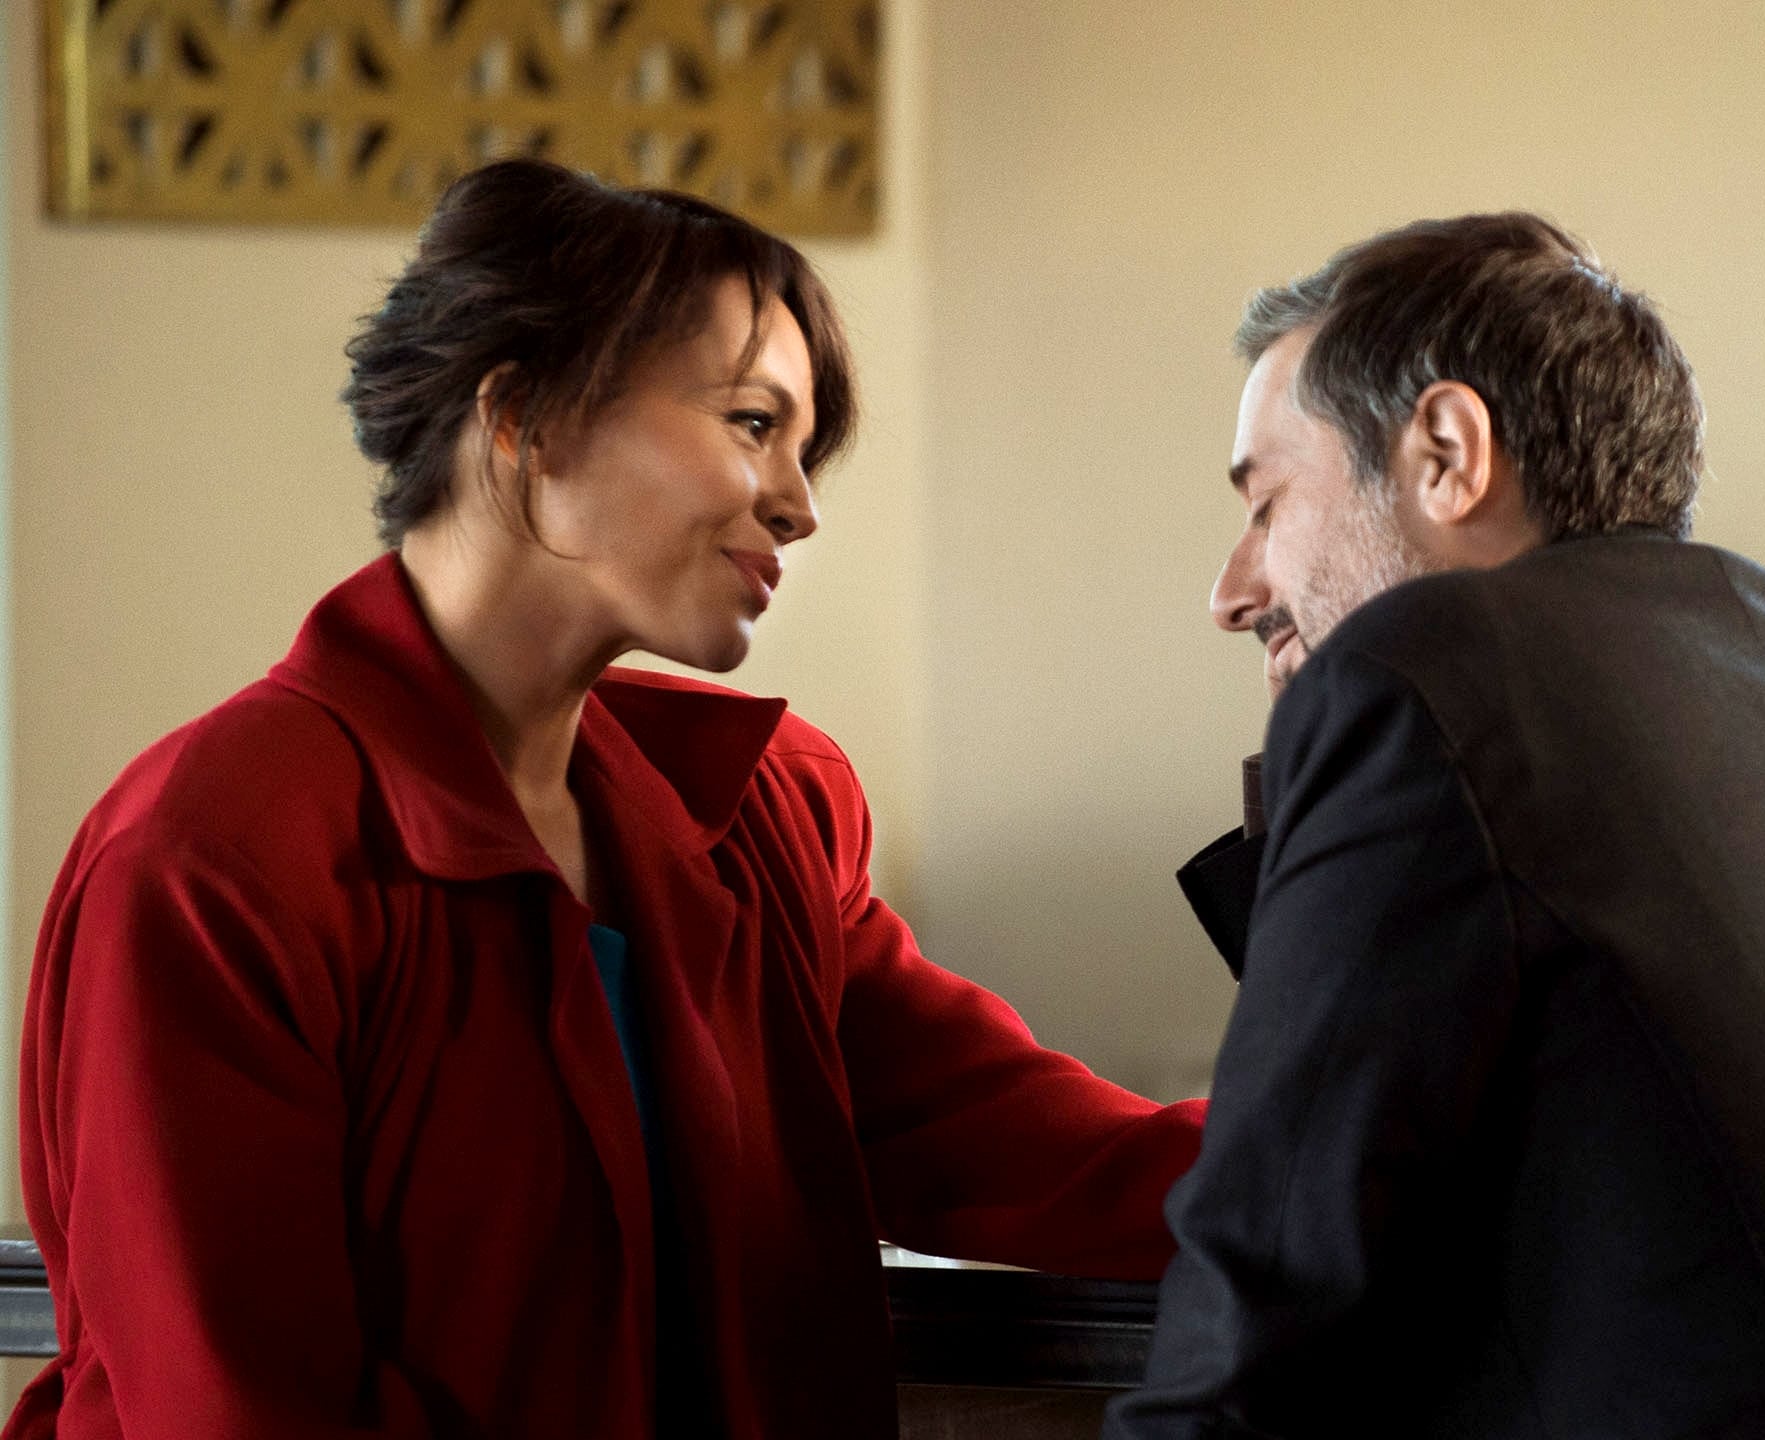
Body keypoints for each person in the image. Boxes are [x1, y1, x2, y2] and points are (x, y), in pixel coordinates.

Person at [10, 159, 1205, 1440]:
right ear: (528, 415)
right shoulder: (223, 848)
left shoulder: (765, 813)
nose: (799, 507)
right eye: (753, 423)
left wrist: (1352, 1167)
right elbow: (229, 1402)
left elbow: (1033, 1150)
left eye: (803, 449)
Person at [1107, 214, 1765, 1438]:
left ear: (1445, 453)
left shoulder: (1422, 668)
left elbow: (1268, 1284)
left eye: (1266, 504)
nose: (1233, 592)